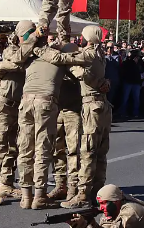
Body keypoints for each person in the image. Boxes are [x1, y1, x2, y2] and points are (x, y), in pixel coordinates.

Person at [15, 30, 92, 210]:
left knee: (25, 149)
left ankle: (26, 196)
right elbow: (80, 65)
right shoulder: (60, 58)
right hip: (45, 103)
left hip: (25, 101)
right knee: (43, 149)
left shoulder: (32, 57)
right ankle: (39, 196)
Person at [0, 24, 37, 206]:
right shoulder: (11, 51)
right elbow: (18, 60)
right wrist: (34, 39)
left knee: (14, 148)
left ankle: (6, 184)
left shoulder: (31, 54)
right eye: (28, 33)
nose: (30, 36)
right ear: (20, 36)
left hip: (19, 107)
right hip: (3, 107)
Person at [61, 26, 112, 209]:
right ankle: (97, 192)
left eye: (82, 37)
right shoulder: (100, 54)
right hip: (103, 106)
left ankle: (82, 195)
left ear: (88, 39)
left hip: (92, 107)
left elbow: (64, 58)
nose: (80, 40)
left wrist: (44, 51)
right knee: (100, 153)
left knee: (88, 151)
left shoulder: (89, 54)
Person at [48, 45, 83, 203]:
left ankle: (73, 187)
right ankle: (60, 184)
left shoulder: (78, 66)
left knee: (73, 151)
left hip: (73, 112)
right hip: (56, 110)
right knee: (56, 150)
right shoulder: (55, 67)